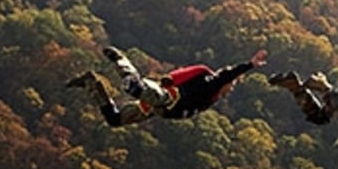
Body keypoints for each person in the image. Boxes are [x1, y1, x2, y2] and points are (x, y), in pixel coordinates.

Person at [67, 47, 267, 126]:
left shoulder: (212, 99)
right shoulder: (212, 82)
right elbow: (228, 73)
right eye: (231, 86)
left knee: (114, 119)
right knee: (136, 87)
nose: (230, 90)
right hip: (168, 97)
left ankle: (90, 83)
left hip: (160, 110)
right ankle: (120, 59)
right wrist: (250, 65)